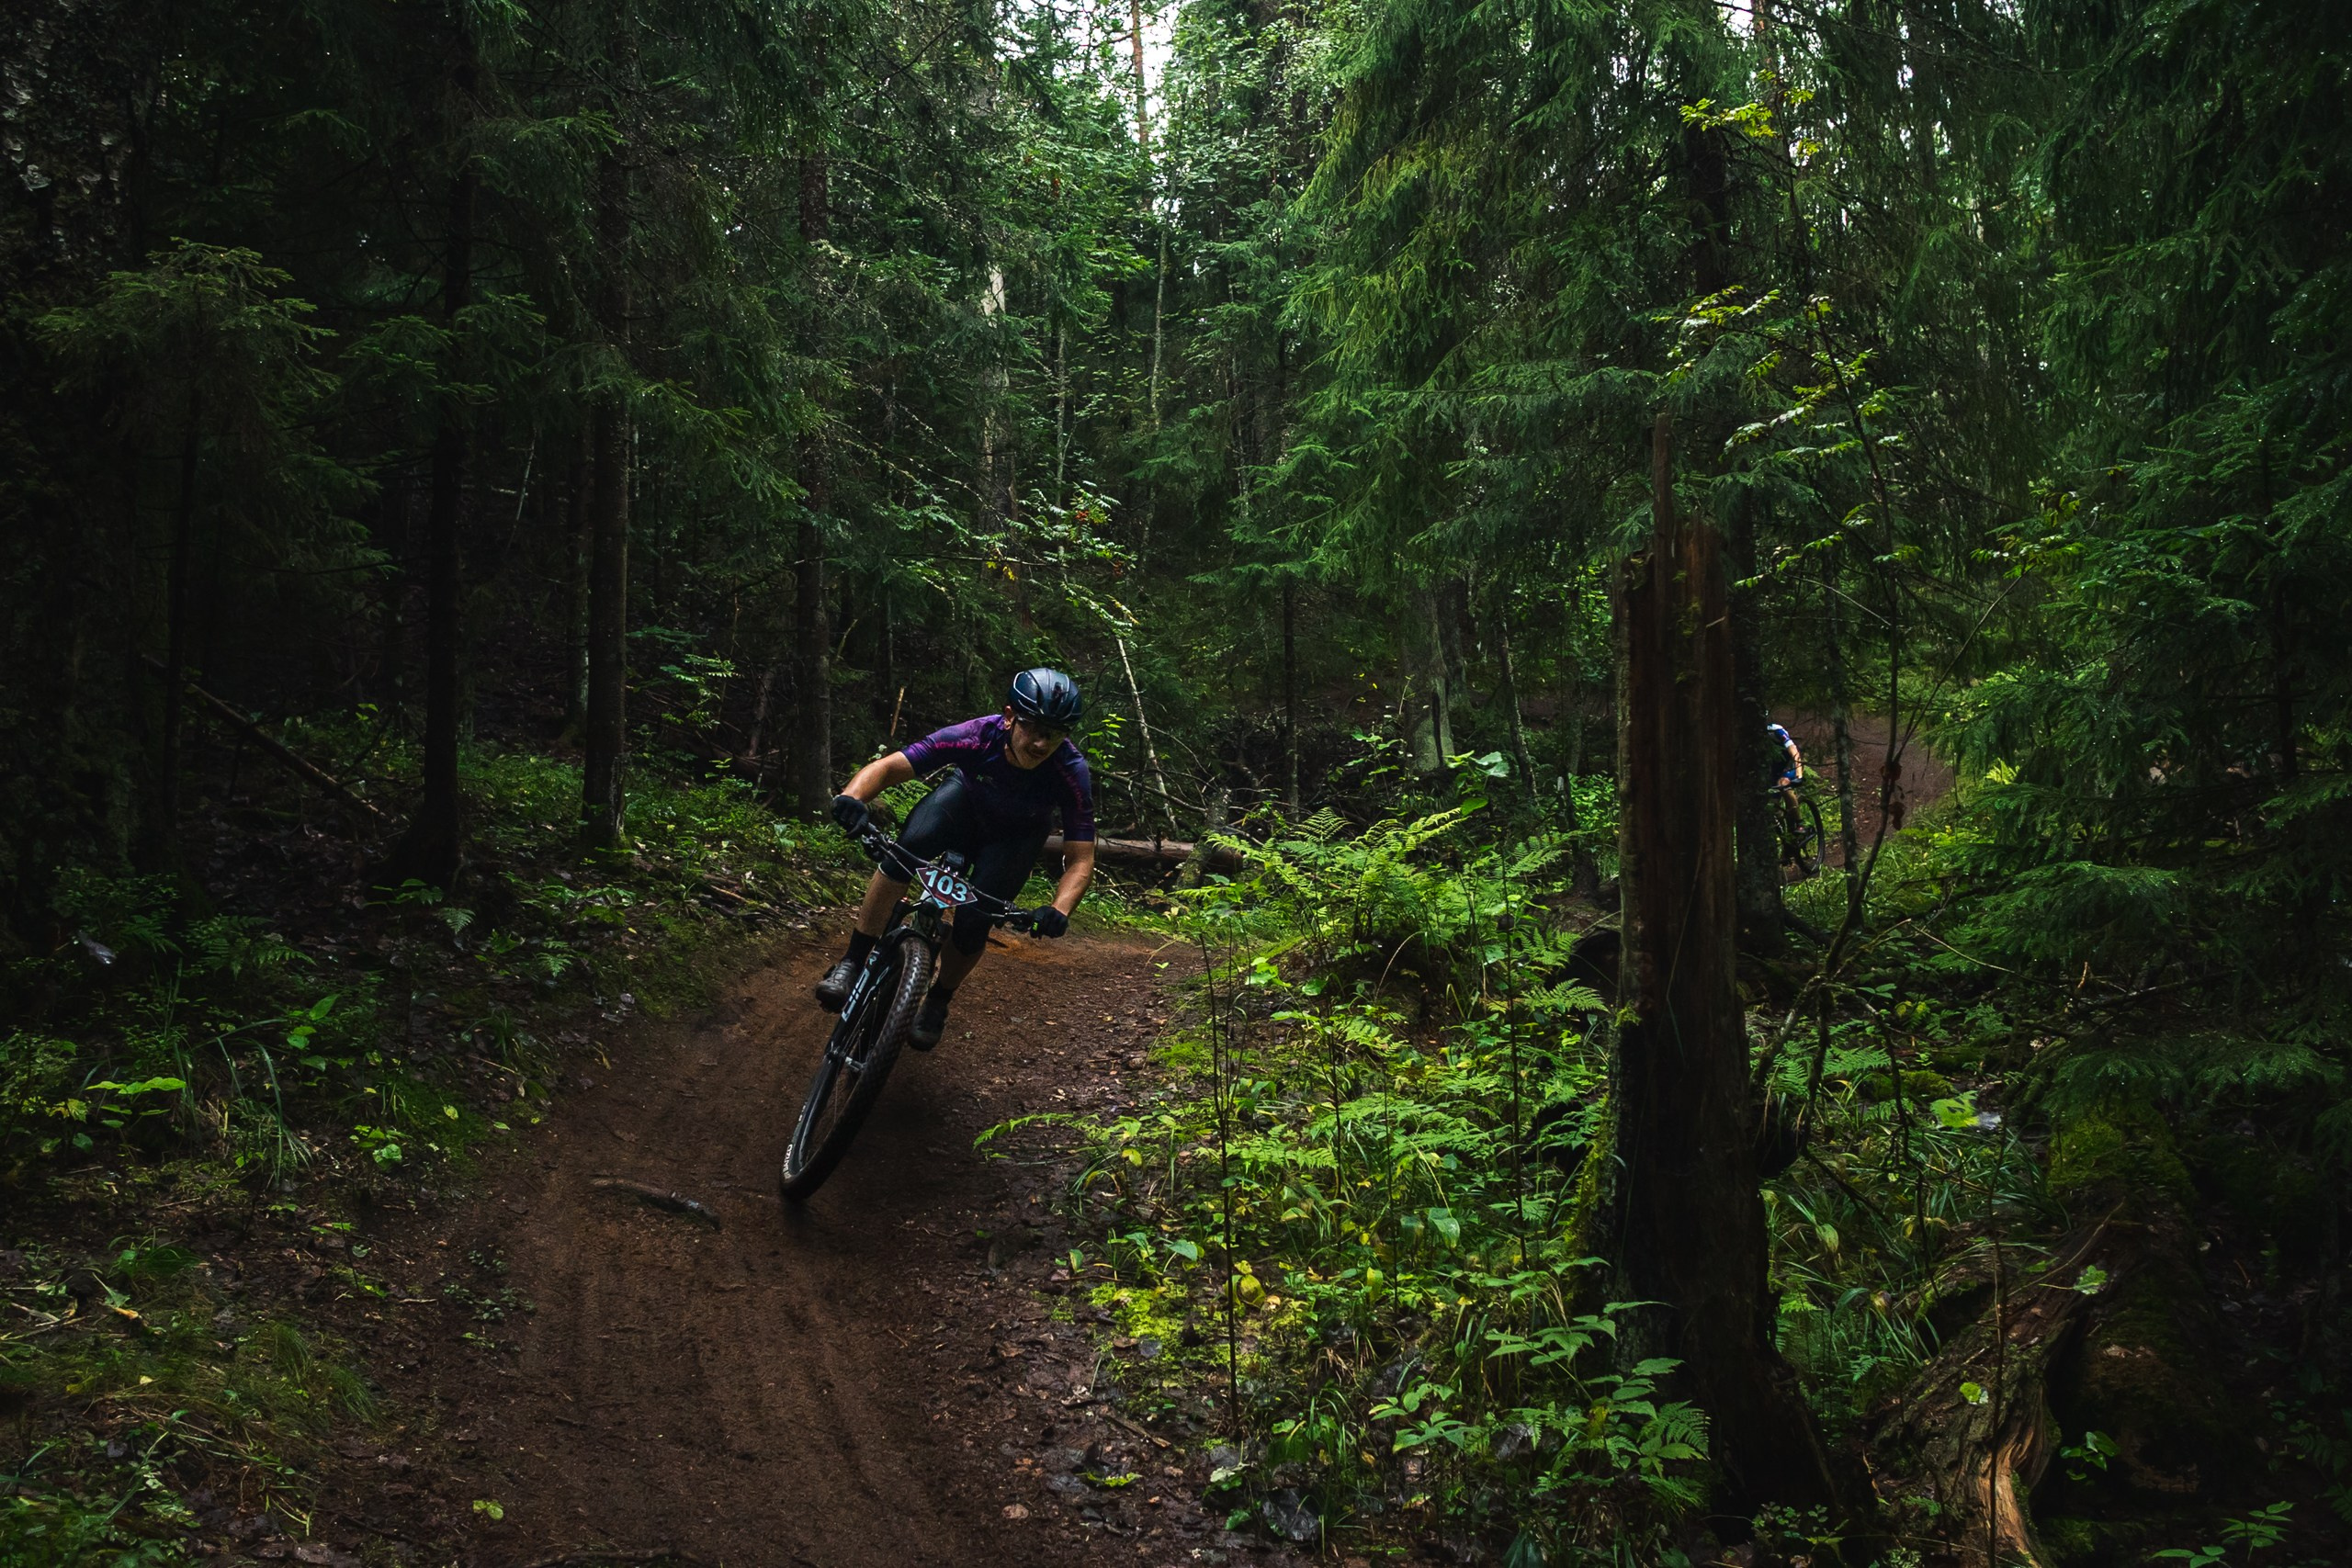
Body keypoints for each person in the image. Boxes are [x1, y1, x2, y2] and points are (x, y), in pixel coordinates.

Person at [814, 668, 1098, 1049]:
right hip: (961, 805)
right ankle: (852, 961)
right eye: (1034, 728)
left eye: (1055, 734)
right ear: (1009, 717)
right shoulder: (977, 735)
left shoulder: (1070, 770)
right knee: (903, 853)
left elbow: (1080, 858)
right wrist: (853, 798)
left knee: (976, 920)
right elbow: (889, 767)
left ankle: (938, 999)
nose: (1041, 744)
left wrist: (1060, 909)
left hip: (1015, 838)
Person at [1768, 721, 1804, 821]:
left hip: (1790, 765)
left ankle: (1799, 823)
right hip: (1776, 770)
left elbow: (1794, 751)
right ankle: (1780, 823)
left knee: (1783, 784)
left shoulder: (1775, 730)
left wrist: (1799, 775)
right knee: (1772, 805)